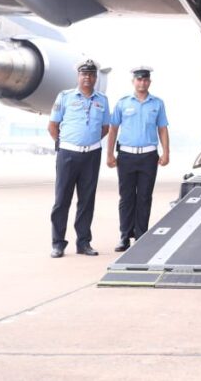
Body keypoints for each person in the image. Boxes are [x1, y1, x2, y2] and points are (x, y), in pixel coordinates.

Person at [47, 59, 110, 258]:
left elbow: (105, 128)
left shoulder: (102, 100)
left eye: (91, 74)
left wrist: (88, 142)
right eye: (84, 74)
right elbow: (52, 126)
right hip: (68, 154)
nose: (88, 78)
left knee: (86, 201)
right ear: (78, 76)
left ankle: (83, 243)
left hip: (91, 154)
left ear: (95, 77)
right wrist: (67, 143)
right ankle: (58, 243)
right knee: (62, 200)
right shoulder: (65, 97)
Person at [105, 66, 170, 252]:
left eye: (145, 79)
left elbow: (163, 129)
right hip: (126, 156)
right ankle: (124, 236)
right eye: (139, 79)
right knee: (126, 197)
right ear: (133, 81)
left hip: (149, 155)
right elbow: (113, 129)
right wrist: (109, 154)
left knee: (144, 197)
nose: (142, 82)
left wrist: (166, 152)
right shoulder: (123, 103)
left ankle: (141, 235)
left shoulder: (157, 103)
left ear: (149, 82)